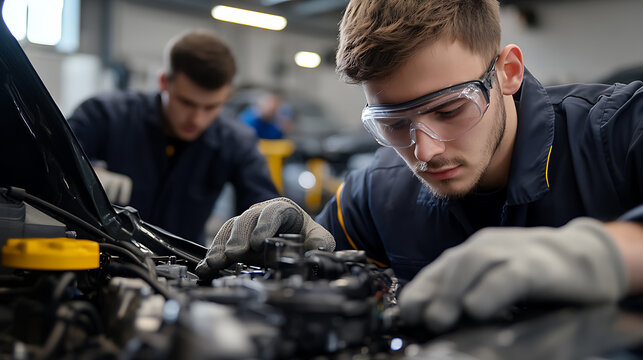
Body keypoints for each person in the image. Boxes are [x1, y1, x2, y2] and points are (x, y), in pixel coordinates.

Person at [196, 0, 643, 332]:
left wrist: (598, 256)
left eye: (450, 110)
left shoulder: (617, 130)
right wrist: (301, 253)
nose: (424, 152)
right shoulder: (374, 194)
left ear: (508, 71)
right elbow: (336, 276)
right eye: (393, 124)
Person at [67, 30, 278, 243]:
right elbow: (49, 161)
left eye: (211, 106)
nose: (197, 119)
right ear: (163, 82)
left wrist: (277, 220)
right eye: (187, 103)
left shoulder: (235, 141)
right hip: (103, 257)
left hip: (185, 268)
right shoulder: (105, 114)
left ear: (227, 95)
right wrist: (84, 173)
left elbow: (263, 205)